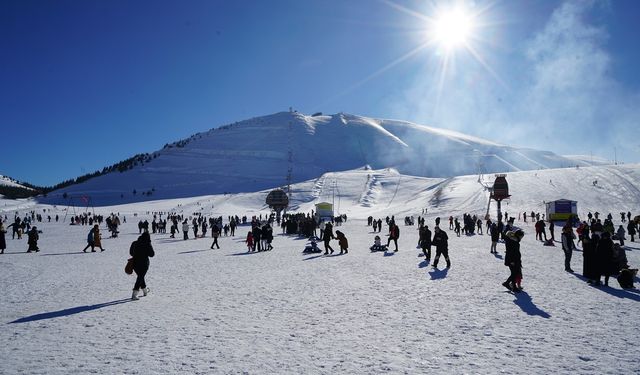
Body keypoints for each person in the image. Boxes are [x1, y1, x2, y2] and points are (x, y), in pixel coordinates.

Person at [130, 231, 155, 300]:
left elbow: (131, 253)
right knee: (140, 277)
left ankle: (145, 291)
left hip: (135, 263)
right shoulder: (147, 243)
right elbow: (152, 254)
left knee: (140, 277)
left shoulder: (135, 243)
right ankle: (134, 294)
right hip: (144, 264)